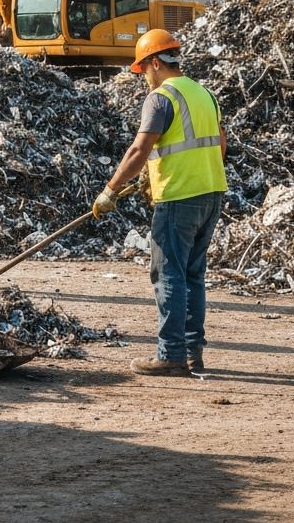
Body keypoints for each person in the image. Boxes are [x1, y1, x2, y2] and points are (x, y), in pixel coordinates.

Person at [92, 28, 227, 377]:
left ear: (154, 62)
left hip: (178, 198)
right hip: (211, 193)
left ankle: (170, 354)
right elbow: (219, 146)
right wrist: (147, 177)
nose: (144, 79)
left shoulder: (161, 97)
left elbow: (140, 148)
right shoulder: (204, 93)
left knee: (168, 274)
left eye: (143, 71)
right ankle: (192, 353)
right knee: (193, 276)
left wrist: (110, 190)